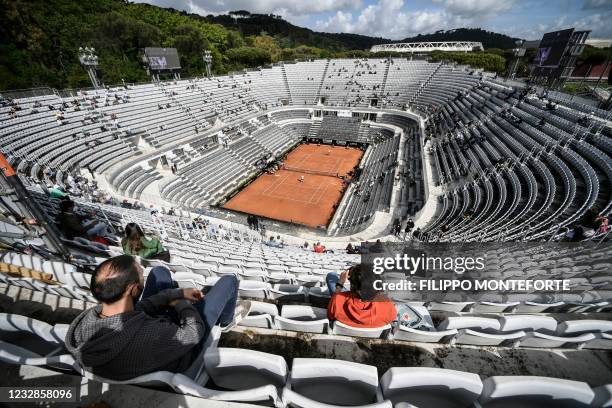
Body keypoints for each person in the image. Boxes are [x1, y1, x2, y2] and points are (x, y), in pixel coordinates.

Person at [65, 255, 250, 381]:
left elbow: (137, 310)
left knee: (160, 272)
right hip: (181, 349)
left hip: (148, 345)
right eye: (140, 274)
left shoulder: (88, 321)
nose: (142, 275)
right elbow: (193, 332)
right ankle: (226, 322)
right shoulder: (150, 334)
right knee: (229, 281)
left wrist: (174, 293)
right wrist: (180, 304)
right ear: (132, 289)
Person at [326, 264, 396, 328]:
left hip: (346, 300)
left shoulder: (338, 300)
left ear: (352, 286)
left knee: (331, 275)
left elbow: (330, 315)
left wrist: (340, 283)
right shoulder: (387, 305)